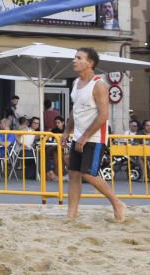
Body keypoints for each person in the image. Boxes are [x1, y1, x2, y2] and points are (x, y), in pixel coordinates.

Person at [63, 47, 125, 222]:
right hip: (78, 135)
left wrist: (84, 137)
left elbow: (103, 116)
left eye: (79, 58)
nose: (74, 60)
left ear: (89, 63)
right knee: (74, 174)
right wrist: (67, 131)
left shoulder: (99, 85)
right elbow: (75, 111)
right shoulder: (76, 83)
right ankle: (71, 214)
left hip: (95, 137)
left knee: (89, 174)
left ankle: (117, 203)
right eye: (74, 57)